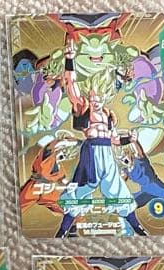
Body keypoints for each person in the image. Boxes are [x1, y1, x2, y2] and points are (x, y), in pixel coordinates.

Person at [55, 34, 146, 237]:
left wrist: (129, 139)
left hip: (108, 155)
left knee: (119, 191)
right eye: (93, 96)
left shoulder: (108, 115)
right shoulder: (84, 107)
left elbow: (114, 139)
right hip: (92, 153)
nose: (96, 100)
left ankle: (137, 227)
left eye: (99, 96)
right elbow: (71, 85)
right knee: (79, 192)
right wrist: (69, 59)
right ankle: (62, 231)